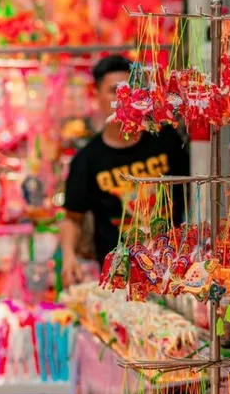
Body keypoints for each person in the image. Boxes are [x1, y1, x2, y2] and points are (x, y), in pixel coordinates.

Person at [61, 55, 189, 285]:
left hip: (174, 268)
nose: (124, 98)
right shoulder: (87, 160)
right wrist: (68, 257)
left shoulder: (166, 139)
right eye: (114, 91)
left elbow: (194, 192)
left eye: (130, 90)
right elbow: (73, 217)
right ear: (97, 95)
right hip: (120, 277)